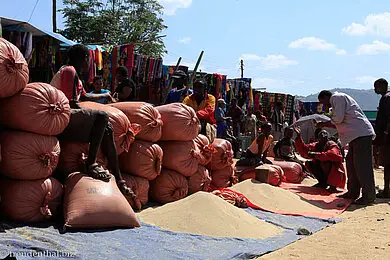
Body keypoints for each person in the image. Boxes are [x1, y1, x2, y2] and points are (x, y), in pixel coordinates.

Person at [50, 44, 136, 204]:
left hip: (68, 115)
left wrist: (106, 97)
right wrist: (97, 114)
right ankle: (91, 162)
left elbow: (85, 96)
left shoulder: (75, 74)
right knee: (102, 117)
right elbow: (71, 103)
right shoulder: (69, 71)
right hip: (60, 118)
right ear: (82, 59)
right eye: (88, 59)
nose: (89, 63)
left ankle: (119, 179)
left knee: (107, 128)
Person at [317, 90, 376, 205]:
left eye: (323, 102)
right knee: (351, 164)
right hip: (355, 136)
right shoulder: (336, 103)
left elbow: (338, 119)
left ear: (326, 97)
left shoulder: (337, 98)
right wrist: (325, 122)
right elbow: (339, 121)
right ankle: (353, 192)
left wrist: (325, 121)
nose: (324, 105)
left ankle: (368, 196)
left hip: (361, 134)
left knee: (362, 166)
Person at [294, 127, 346, 193]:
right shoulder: (316, 145)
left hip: (334, 171)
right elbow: (304, 149)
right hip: (323, 169)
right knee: (310, 164)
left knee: (332, 166)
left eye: (324, 134)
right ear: (318, 138)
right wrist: (299, 137)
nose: (322, 134)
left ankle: (333, 186)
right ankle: (322, 183)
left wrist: (316, 155)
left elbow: (334, 155)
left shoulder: (332, 144)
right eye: (321, 134)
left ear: (327, 137)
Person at [373, 78, 390, 198]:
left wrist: (385, 134)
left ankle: (387, 190)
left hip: (387, 137)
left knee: (388, 164)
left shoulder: (387, 98)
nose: (375, 89)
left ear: (383, 85)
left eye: (376, 86)